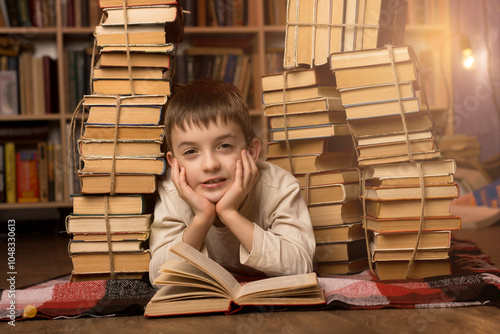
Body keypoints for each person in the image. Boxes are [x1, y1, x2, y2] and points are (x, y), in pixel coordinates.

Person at [149, 79, 315, 284]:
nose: (210, 165)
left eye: (224, 146)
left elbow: (301, 267)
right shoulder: (172, 192)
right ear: (175, 164)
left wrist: (229, 213)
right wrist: (202, 218)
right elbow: (158, 275)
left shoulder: (280, 186)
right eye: (191, 151)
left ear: (252, 151)